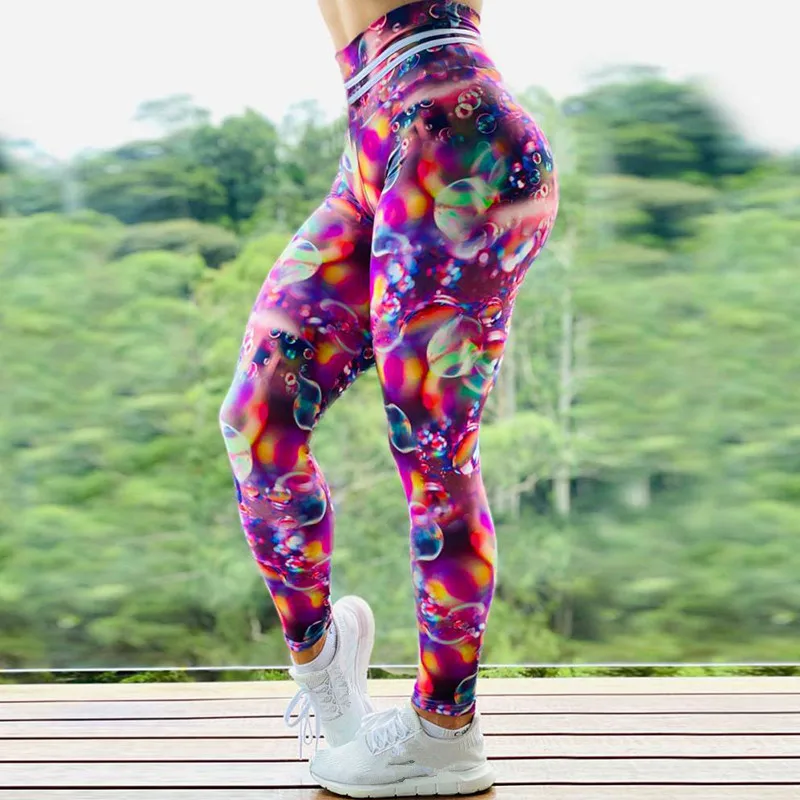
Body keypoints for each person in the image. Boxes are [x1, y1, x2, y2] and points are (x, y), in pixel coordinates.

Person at [218, 0, 559, 795]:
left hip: (460, 139)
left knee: (435, 455)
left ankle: (445, 733)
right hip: (372, 143)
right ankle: (323, 662)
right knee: (256, 418)